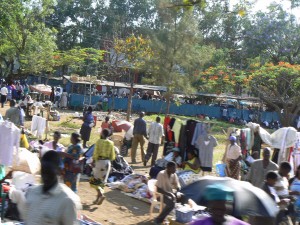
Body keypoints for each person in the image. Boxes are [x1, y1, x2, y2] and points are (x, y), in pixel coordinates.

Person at [24, 150, 81, 225]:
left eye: (49, 172)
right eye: (44, 171)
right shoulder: (31, 193)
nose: (45, 175)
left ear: (59, 171)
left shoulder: (68, 200)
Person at [90, 128, 116, 205]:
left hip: (99, 162)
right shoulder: (111, 143)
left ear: (103, 134)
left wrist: (93, 161)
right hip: (107, 163)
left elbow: (96, 153)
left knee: (94, 181)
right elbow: (112, 156)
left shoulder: (99, 142)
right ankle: (97, 198)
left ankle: (101, 195)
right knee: (102, 181)